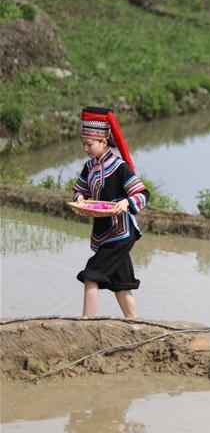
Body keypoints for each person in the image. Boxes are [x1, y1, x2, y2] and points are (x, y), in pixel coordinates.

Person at [73, 107, 150, 318]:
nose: (86, 149)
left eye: (89, 144)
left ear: (103, 142)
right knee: (121, 284)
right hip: (103, 232)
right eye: (84, 144)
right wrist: (79, 198)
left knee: (91, 276)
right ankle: (136, 325)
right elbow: (79, 190)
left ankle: (85, 323)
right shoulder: (89, 167)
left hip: (121, 233)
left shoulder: (119, 166)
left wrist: (126, 202)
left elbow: (142, 194)